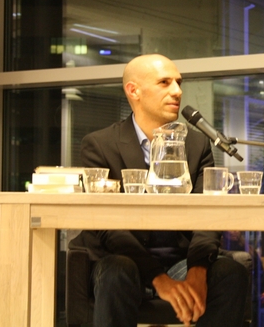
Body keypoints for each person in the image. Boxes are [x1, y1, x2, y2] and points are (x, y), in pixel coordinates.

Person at [69, 54, 248, 327]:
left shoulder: (197, 144)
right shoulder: (100, 145)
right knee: (118, 270)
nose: (177, 91)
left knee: (229, 272)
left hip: (179, 259)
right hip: (123, 261)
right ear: (134, 91)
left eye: (178, 82)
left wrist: (198, 271)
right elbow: (107, 227)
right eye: (164, 82)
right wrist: (160, 280)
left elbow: (208, 214)